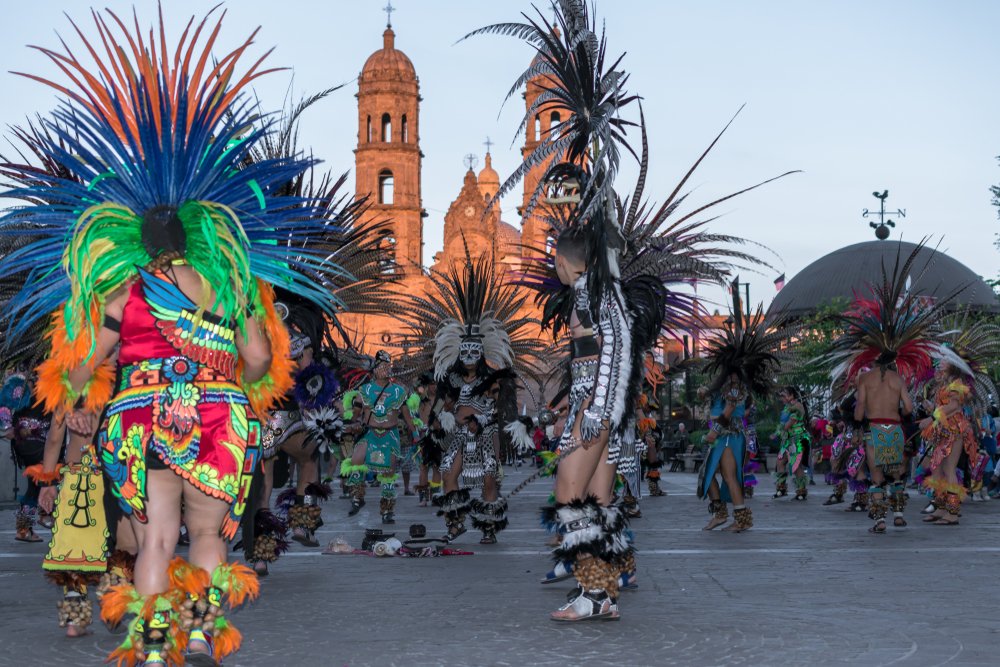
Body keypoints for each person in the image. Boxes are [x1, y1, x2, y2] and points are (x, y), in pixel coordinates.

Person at [0, 7, 349, 664]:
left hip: (140, 414)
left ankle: (153, 642)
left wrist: (77, 396)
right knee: (209, 535)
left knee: (156, 534)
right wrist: (231, 382)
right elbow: (258, 358)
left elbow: (87, 363)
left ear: (138, 239)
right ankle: (198, 628)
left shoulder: (119, 291)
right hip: (218, 414)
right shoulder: (236, 286)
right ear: (196, 233)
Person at [698, 289, 788, 532]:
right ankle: (722, 513)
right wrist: (706, 392)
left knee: (727, 475)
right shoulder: (729, 384)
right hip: (725, 436)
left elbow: (727, 412)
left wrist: (714, 432)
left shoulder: (734, 386)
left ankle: (740, 519)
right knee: (709, 473)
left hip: (728, 436)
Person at [343, 351, 415, 525]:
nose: (385, 369)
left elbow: (407, 416)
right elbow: (356, 414)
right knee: (356, 460)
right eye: (381, 366)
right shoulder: (364, 390)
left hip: (390, 435)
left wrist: (416, 434)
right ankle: (357, 498)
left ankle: (387, 510)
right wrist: (347, 423)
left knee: (388, 474)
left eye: (387, 366)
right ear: (374, 370)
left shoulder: (399, 391)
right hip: (370, 434)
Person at [772, 386, 811, 501]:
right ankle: (782, 489)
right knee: (780, 462)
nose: (782, 398)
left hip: (796, 439)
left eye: (784, 395)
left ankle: (801, 491)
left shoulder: (797, 406)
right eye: (781, 396)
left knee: (796, 465)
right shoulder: (787, 407)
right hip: (788, 439)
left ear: (791, 396)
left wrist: (777, 432)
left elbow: (789, 423)